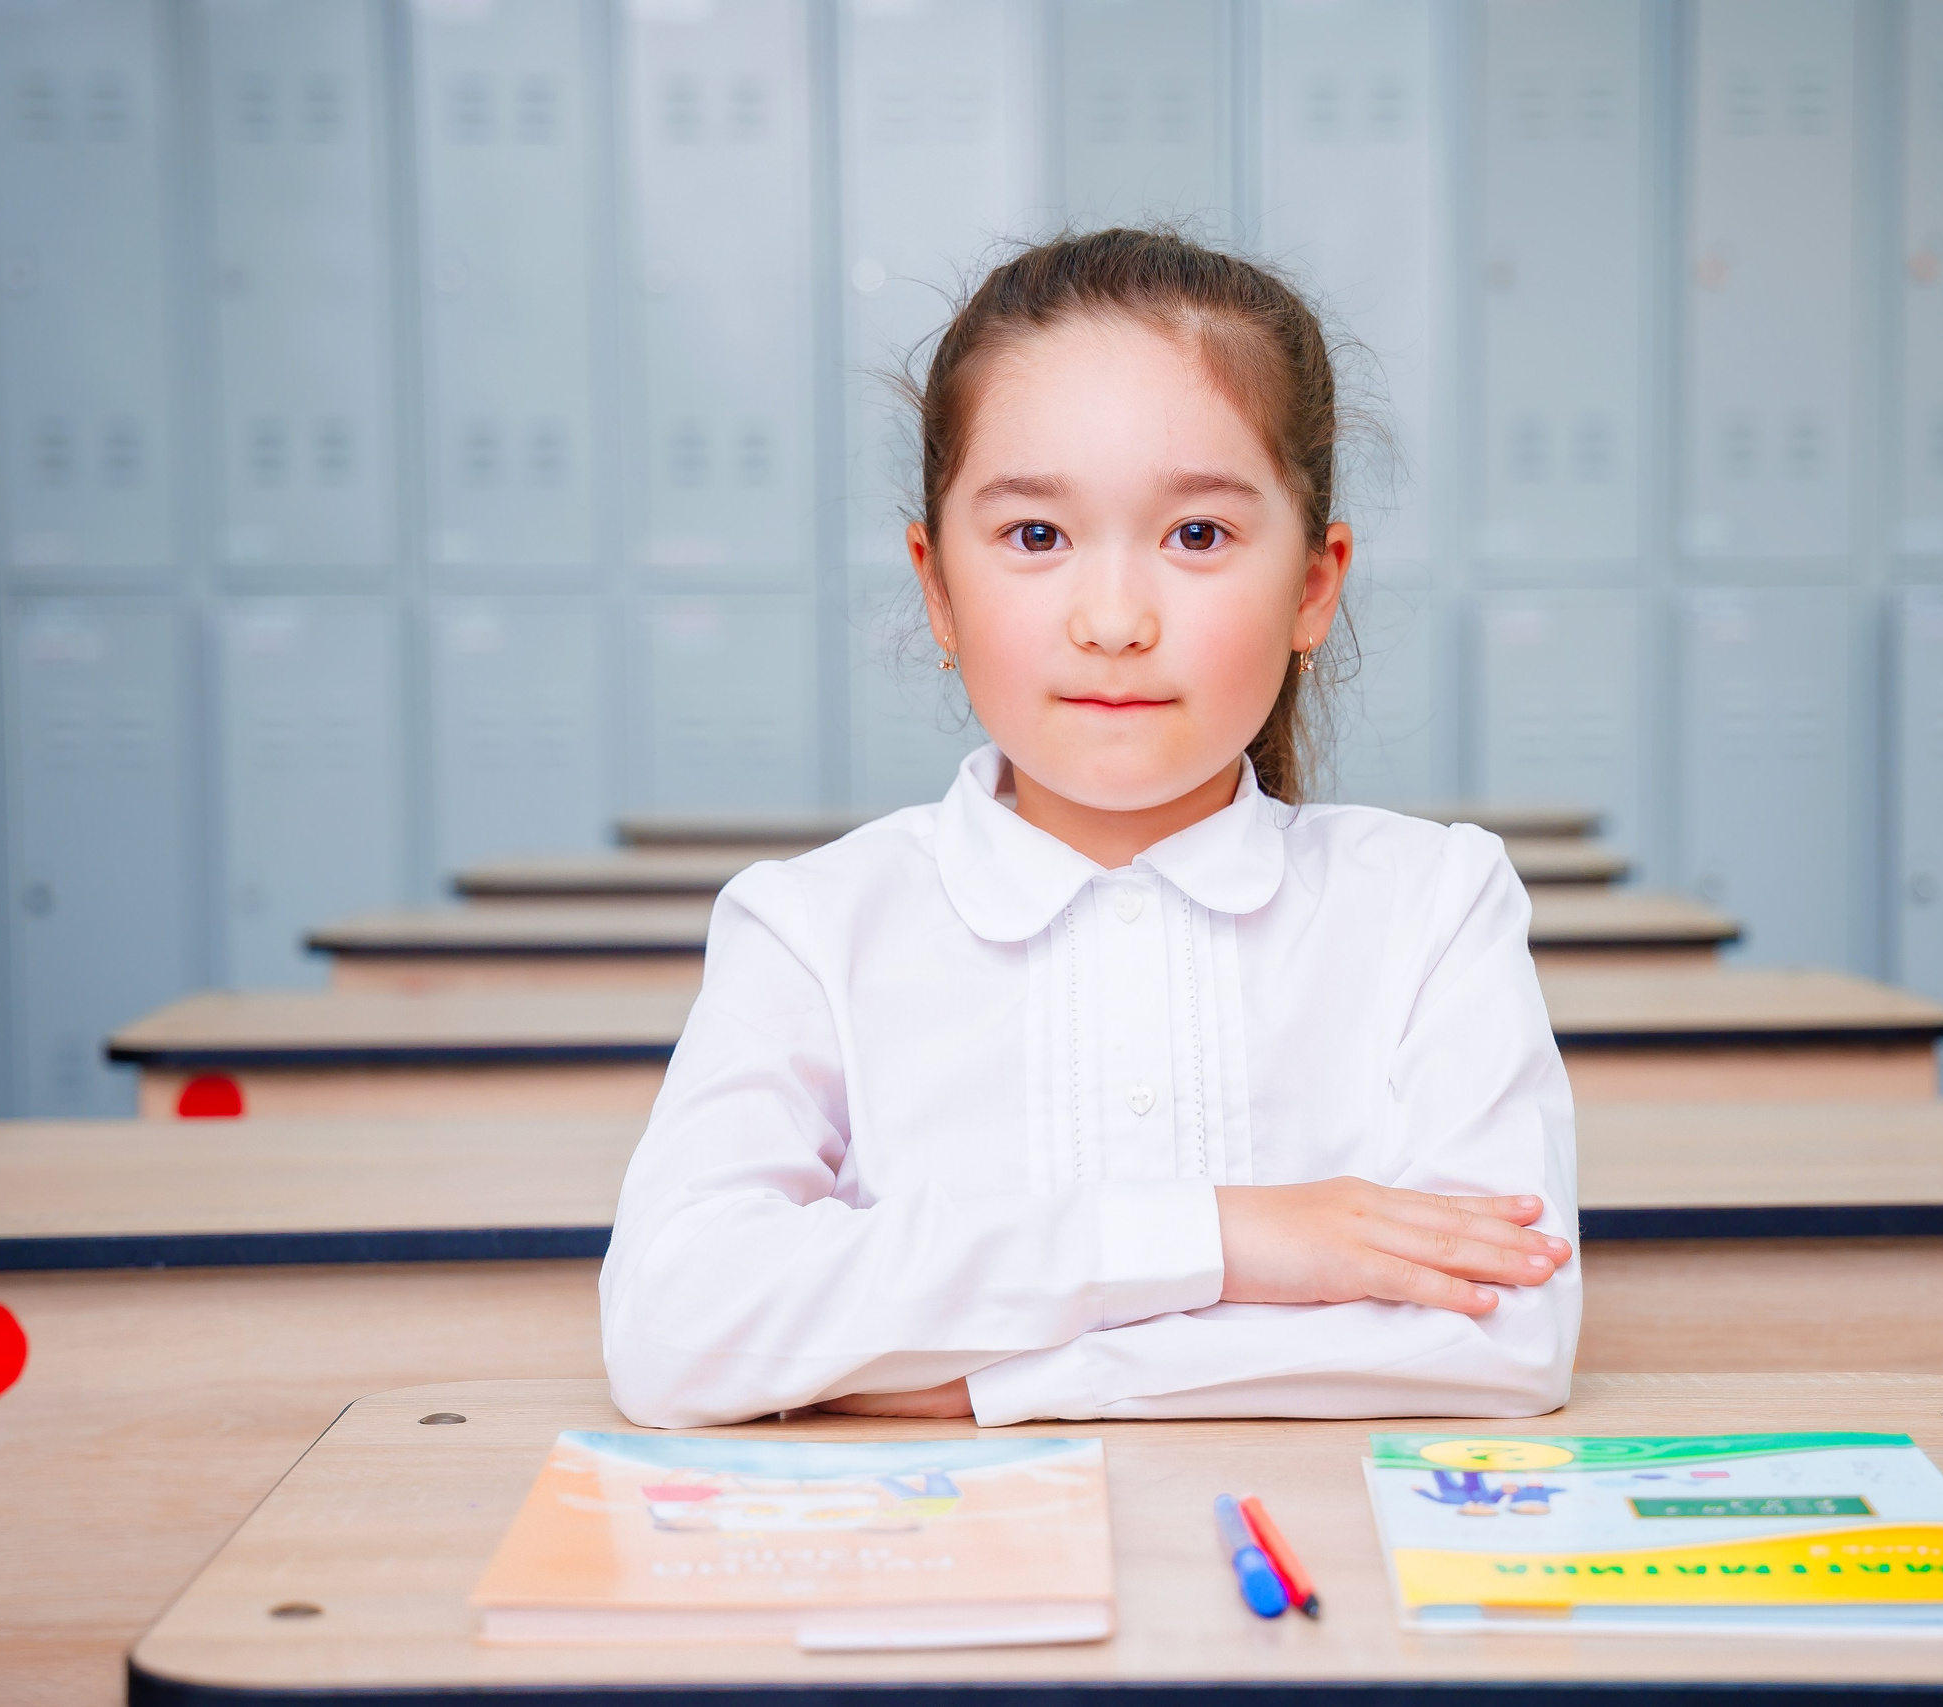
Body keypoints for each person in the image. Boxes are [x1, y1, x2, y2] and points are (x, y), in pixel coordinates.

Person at [602, 228, 1578, 1428]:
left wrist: (977, 1377)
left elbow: (1507, 1336)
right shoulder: (808, 928)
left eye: (1198, 536)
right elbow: (676, 1326)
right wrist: (1227, 1237)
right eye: (1035, 537)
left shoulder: (1436, 905)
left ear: (1313, 587)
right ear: (936, 586)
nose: (1113, 620)